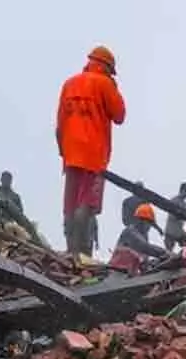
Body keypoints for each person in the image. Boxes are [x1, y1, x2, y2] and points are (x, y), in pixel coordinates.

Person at [57, 45, 126, 261]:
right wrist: (113, 86)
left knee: (70, 203)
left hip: (71, 152)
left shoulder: (69, 83)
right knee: (86, 203)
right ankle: (80, 255)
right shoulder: (104, 83)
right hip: (93, 154)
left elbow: (59, 124)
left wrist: (64, 152)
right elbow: (120, 115)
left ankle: (70, 252)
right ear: (106, 67)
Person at [109, 204, 167, 276]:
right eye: (149, 224)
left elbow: (144, 258)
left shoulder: (143, 235)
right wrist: (165, 253)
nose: (149, 228)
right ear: (140, 220)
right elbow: (144, 247)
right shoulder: (130, 232)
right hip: (117, 273)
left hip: (130, 274)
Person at [164, 182, 186, 251]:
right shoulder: (173, 201)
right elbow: (171, 214)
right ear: (182, 190)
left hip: (179, 231)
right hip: (170, 230)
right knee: (168, 251)